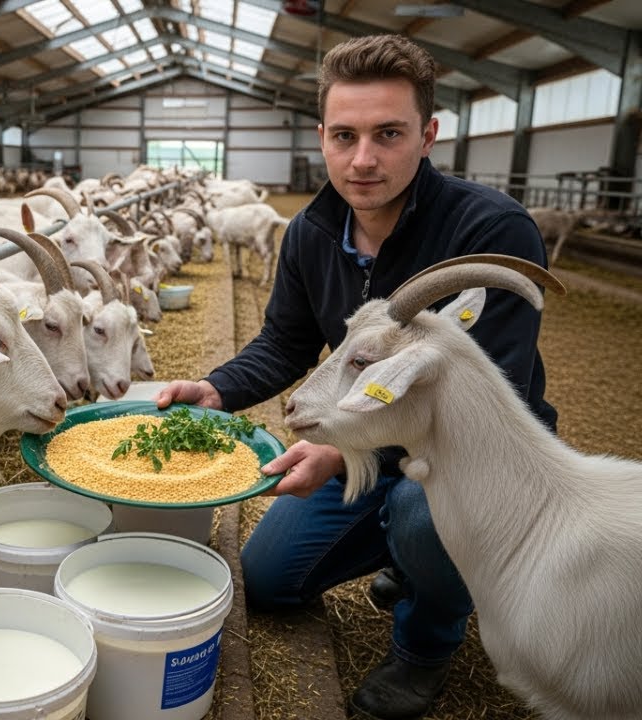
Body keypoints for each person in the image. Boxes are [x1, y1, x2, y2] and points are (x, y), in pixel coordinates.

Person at [155, 34, 556, 720]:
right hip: (362, 441)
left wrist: (343, 450)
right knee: (267, 583)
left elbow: (490, 394)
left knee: (422, 515)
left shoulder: (491, 232)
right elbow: (286, 341)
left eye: (388, 134)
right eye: (345, 136)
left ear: (427, 134)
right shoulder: (312, 231)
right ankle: (410, 559)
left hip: (467, 455)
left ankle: (427, 642)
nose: (362, 159)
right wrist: (217, 389)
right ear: (322, 137)